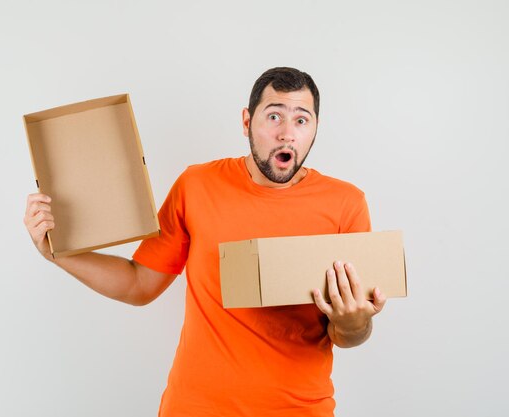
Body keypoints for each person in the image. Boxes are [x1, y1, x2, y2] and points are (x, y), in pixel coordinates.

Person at [24, 67, 386, 417]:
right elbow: (139, 284)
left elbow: (346, 333)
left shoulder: (346, 204)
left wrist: (354, 322)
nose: (287, 134)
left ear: (315, 129)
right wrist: (56, 253)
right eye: (274, 117)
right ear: (247, 121)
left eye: (301, 120)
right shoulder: (196, 186)